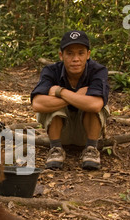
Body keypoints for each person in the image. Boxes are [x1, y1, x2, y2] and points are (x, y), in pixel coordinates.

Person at [31, 30, 109, 170]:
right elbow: (37, 104)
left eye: (80, 53)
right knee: (51, 104)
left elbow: (96, 105)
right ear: (61, 55)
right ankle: (56, 149)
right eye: (70, 53)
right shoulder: (51, 71)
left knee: (98, 103)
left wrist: (61, 92)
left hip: (85, 132)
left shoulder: (97, 71)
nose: (75, 59)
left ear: (88, 55)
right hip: (61, 133)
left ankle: (91, 149)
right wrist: (77, 96)